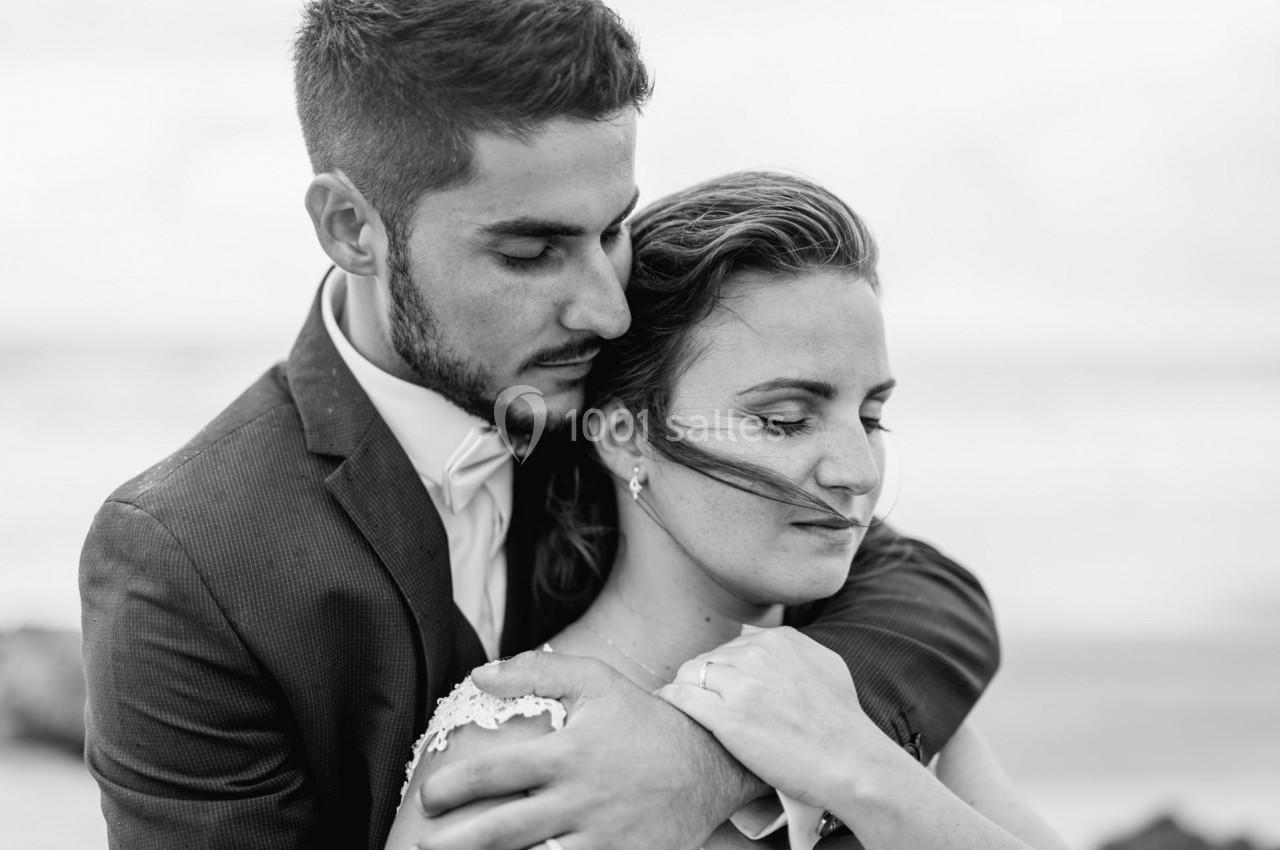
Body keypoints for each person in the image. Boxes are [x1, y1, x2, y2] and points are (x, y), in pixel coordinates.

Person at [78, 2, 998, 848]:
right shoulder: (184, 557)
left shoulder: (610, 387)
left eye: (613, 231)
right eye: (532, 251)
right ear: (353, 227)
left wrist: (711, 759)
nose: (606, 308)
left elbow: (924, 591)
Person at [392, 172, 1067, 850]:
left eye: (871, 416)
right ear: (627, 440)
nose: (858, 472)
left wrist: (862, 770)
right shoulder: (517, 756)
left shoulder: (879, 714)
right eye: (784, 420)